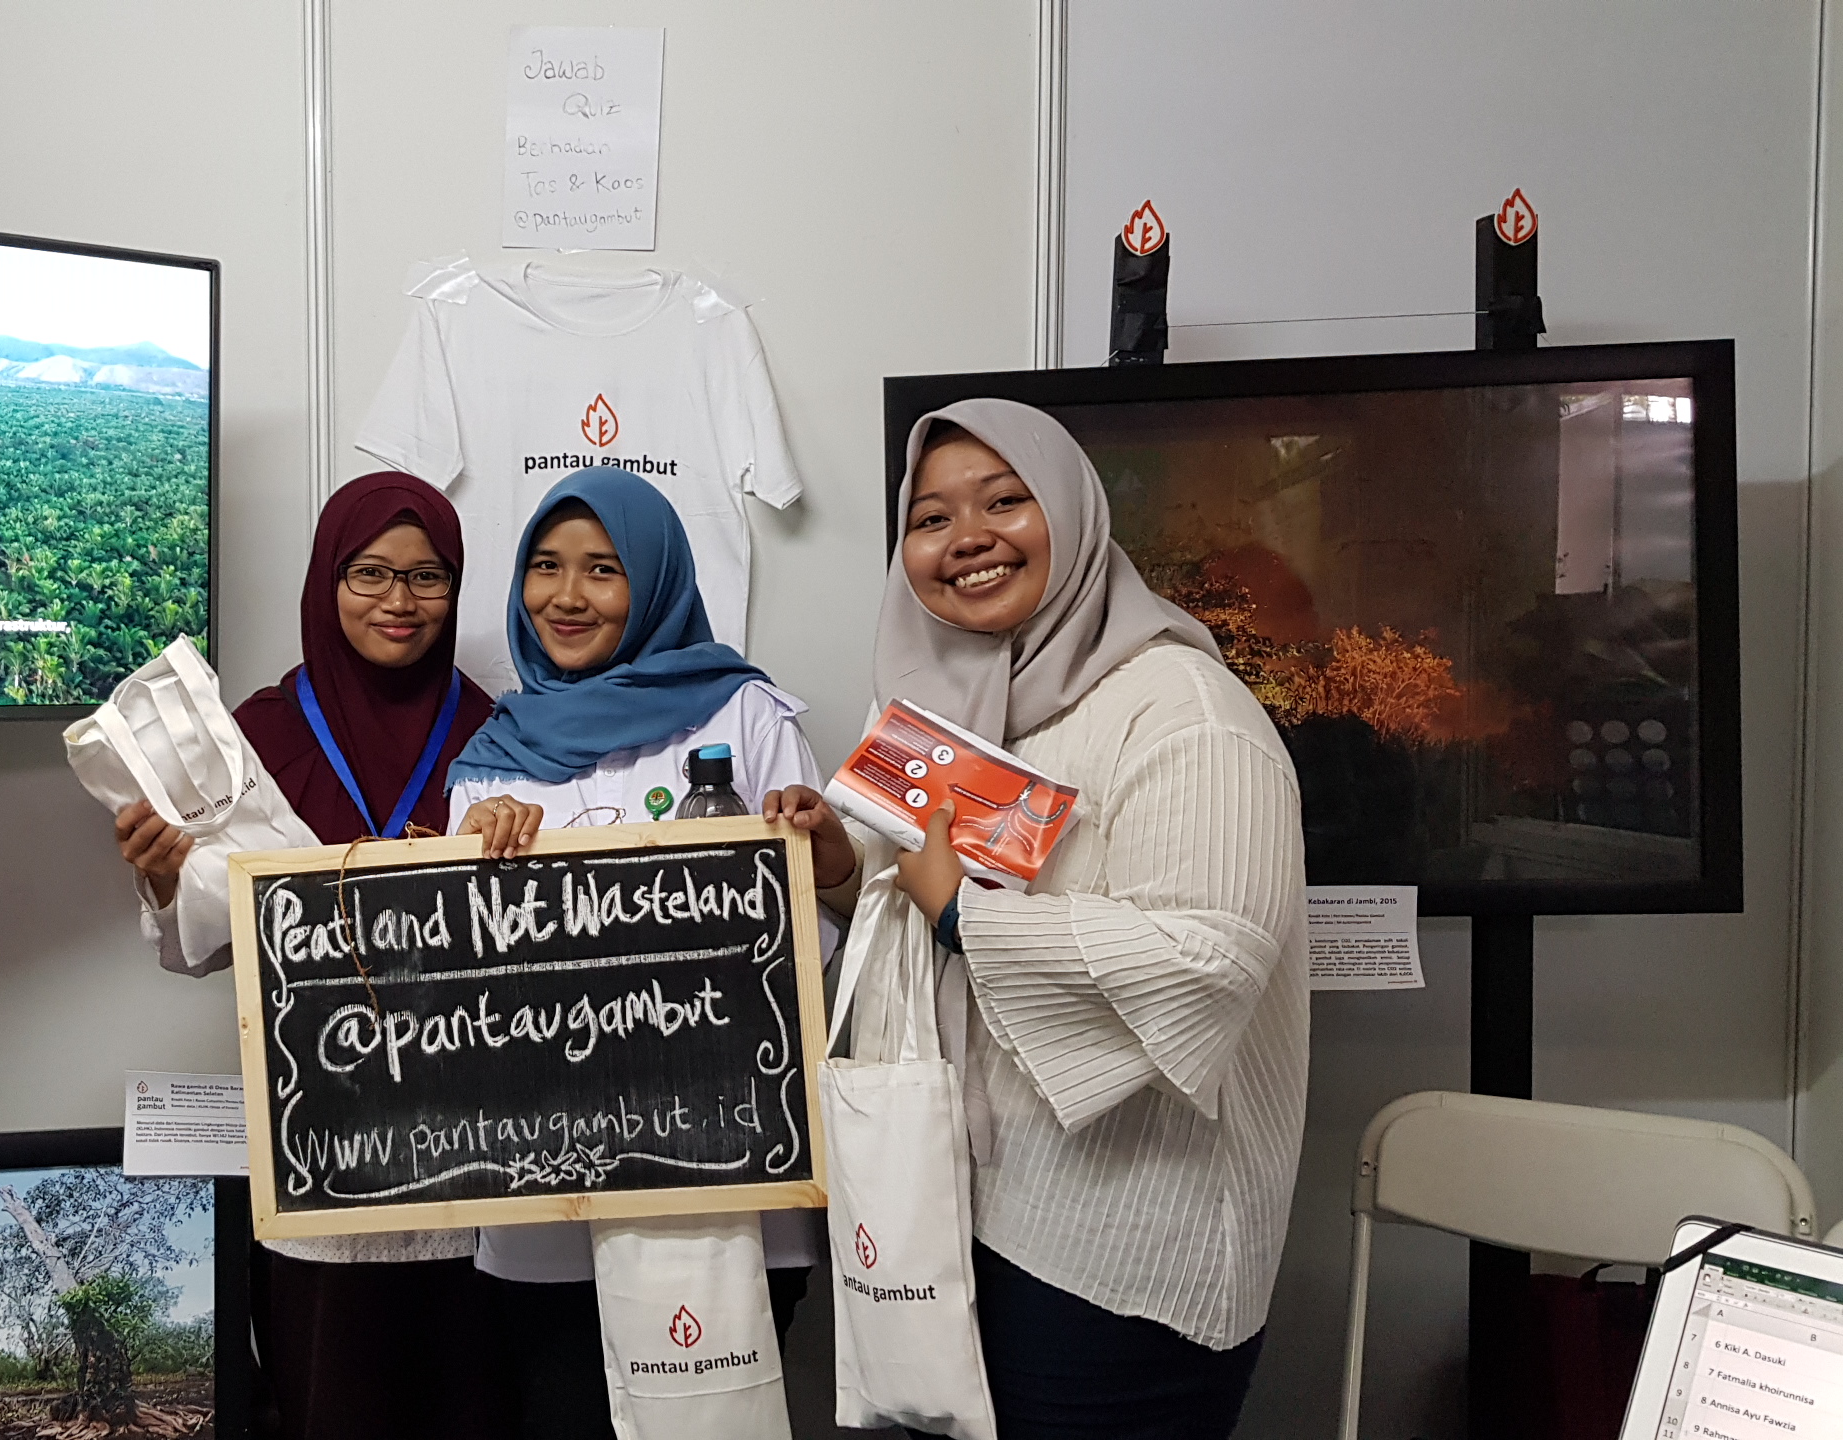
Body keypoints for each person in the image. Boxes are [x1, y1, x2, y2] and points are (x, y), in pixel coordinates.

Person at [864, 400, 1309, 1440]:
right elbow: (922, 890)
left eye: (1004, 502)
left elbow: (1209, 959)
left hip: (1120, 1252)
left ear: (1072, 513)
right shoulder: (952, 710)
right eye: (930, 517)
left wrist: (964, 919)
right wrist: (849, 870)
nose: (967, 537)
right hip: (963, 1214)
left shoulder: (1183, 709)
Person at [443, 465, 859, 1440]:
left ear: (657, 578)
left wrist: (819, 852)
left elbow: (809, 936)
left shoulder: (744, 714)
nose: (566, 596)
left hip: (730, 1171)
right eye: (545, 566)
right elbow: (465, 993)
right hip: (547, 1190)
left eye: (603, 568)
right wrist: (468, 866)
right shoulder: (491, 759)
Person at [113, 471, 505, 1440]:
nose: (399, 601)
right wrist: (163, 880)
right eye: (369, 572)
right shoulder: (253, 740)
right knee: (331, 1406)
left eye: (428, 577)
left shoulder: (501, 738)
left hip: (477, 1164)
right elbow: (206, 947)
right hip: (318, 1157)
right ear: (327, 580)